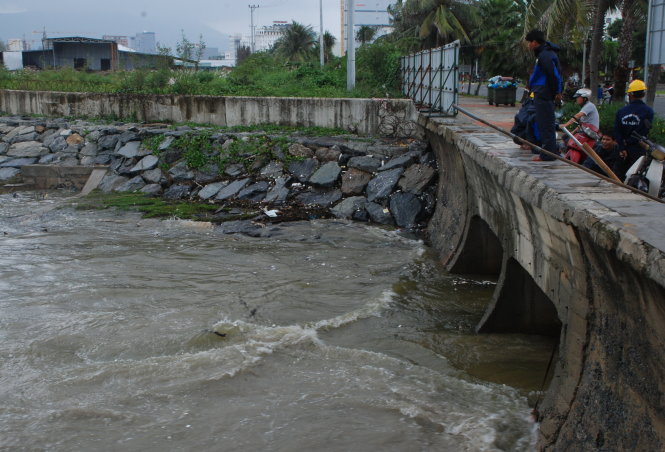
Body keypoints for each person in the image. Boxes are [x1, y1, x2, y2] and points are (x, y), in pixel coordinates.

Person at [525, 29, 563, 161]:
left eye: (529, 42)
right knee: (543, 123)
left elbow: (554, 75)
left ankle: (548, 154)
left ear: (535, 42)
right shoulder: (543, 54)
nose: (529, 45)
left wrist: (556, 92)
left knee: (546, 124)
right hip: (541, 92)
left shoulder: (545, 55)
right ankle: (548, 151)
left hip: (544, 92)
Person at [612, 79, 655, 181]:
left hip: (622, 149)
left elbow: (616, 131)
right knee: (635, 177)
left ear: (630, 95)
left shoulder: (621, 111)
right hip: (638, 148)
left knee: (620, 176)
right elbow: (645, 131)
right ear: (643, 94)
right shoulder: (648, 111)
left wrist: (622, 147)